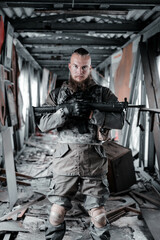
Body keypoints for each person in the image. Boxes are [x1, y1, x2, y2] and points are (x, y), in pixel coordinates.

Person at [38, 48, 124, 240]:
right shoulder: (57, 94)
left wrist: (95, 115)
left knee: (99, 216)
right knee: (56, 214)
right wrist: (65, 112)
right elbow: (43, 124)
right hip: (64, 161)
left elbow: (119, 120)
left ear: (90, 68)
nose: (79, 71)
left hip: (93, 160)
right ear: (70, 66)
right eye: (76, 66)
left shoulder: (103, 93)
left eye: (84, 67)